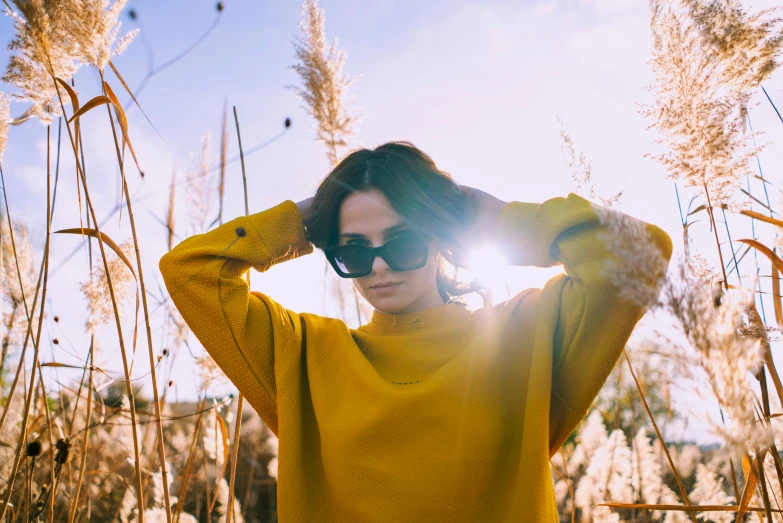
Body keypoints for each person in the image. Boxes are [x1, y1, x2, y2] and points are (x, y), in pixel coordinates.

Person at [159, 140, 673, 522]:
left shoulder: (525, 337)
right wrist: (310, 215)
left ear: (440, 235)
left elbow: (638, 254)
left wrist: (476, 212)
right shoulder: (304, 355)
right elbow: (192, 271)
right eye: (354, 249)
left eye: (402, 241)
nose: (379, 266)